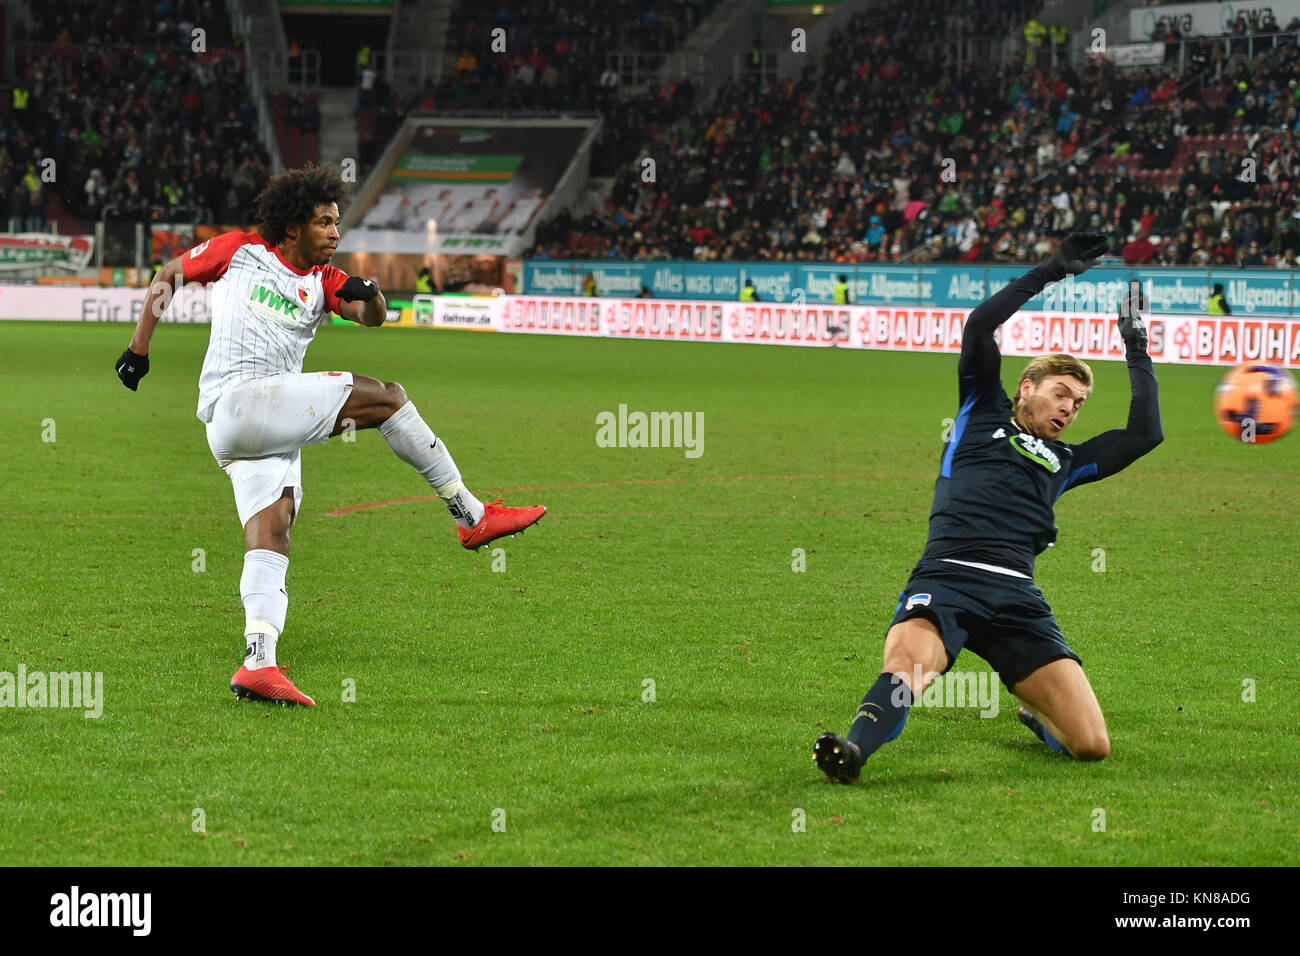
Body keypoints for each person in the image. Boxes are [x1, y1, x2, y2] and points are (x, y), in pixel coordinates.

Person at [114, 164, 546, 708]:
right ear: (292, 227)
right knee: (388, 396)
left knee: (275, 527)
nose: (335, 233)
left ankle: (257, 660)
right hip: (239, 402)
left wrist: (374, 294)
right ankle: (470, 514)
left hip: (251, 430)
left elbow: (371, 318)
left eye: (337, 222)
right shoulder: (238, 251)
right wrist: (138, 350)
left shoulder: (323, 281)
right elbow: (168, 276)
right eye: (324, 222)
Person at [814, 234, 1164, 781]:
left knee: (1092, 745)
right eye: (1061, 392)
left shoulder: (1067, 460)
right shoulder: (982, 408)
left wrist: (1136, 342)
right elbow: (980, 326)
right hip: (948, 575)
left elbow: (1146, 434)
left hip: (1017, 595)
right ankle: (854, 752)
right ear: (1026, 387)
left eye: (1079, 402)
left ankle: (1035, 715)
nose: (1070, 408)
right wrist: (1050, 271)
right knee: (907, 669)